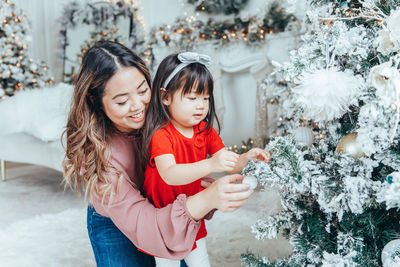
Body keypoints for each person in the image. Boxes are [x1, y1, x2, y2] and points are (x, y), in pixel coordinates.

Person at [62, 41, 254, 267]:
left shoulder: (166, 120)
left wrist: (208, 184)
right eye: (122, 101)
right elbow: (148, 221)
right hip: (120, 221)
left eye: (143, 90)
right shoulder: (100, 157)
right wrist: (204, 199)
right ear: (95, 101)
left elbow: (184, 168)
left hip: (165, 208)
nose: (138, 106)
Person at [141, 52, 271, 266]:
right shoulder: (161, 135)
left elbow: (229, 164)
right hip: (164, 216)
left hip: (192, 212)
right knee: (168, 263)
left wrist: (247, 157)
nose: (201, 105)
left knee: (201, 261)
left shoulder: (205, 131)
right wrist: (210, 164)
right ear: (165, 97)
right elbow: (170, 174)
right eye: (192, 98)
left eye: (206, 98)